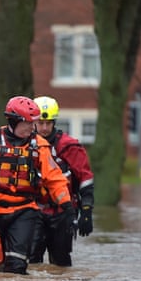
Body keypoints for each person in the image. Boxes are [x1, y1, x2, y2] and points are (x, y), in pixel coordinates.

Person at [0, 95, 75, 275]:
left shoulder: (40, 146)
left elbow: (54, 178)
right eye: (28, 123)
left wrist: (67, 205)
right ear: (14, 121)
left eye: (33, 122)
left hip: (24, 210)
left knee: (17, 266)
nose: (32, 127)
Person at [30, 96, 94, 266]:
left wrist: (86, 211)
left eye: (48, 123)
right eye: (40, 123)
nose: (44, 128)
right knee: (30, 261)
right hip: (32, 210)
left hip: (62, 212)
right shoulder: (25, 145)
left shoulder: (69, 146)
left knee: (61, 263)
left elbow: (85, 179)